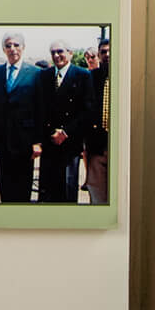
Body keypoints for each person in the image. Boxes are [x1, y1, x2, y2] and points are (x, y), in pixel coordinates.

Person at [0, 34, 44, 204]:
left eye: (16, 45)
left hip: (25, 140)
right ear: (3, 49)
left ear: (23, 47)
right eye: (8, 45)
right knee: (5, 186)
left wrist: (38, 141)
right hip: (2, 140)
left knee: (23, 187)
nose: (12, 49)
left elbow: (40, 109)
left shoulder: (36, 74)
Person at [39, 42, 93, 204]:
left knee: (67, 190)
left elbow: (87, 110)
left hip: (70, 141)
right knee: (48, 191)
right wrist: (49, 134)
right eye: (53, 52)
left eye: (60, 51)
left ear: (70, 53)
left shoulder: (82, 75)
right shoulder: (44, 75)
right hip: (49, 141)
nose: (56, 56)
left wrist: (65, 132)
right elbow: (39, 108)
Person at [83, 39, 110, 204]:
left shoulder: (127, 77)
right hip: (97, 145)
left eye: (110, 51)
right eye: (103, 52)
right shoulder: (91, 78)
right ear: (99, 55)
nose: (107, 54)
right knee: (97, 194)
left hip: (119, 146)